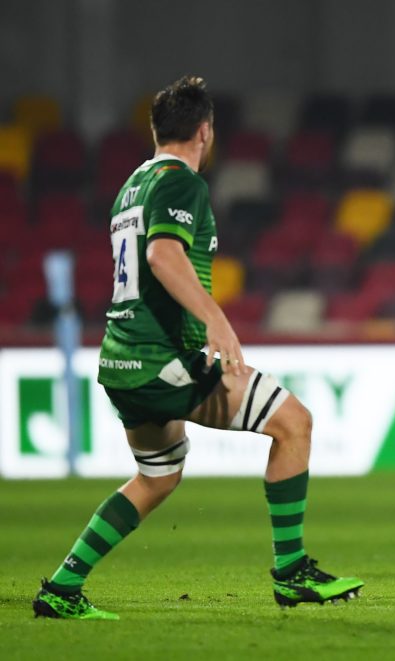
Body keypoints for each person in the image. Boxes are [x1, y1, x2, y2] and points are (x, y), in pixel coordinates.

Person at [32, 76, 363, 620]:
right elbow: (163, 257)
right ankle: (292, 573)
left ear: (155, 129)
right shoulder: (181, 181)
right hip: (162, 360)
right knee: (294, 422)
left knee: (157, 475)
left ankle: (63, 587)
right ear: (205, 131)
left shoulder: (130, 187)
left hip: (121, 364)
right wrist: (216, 321)